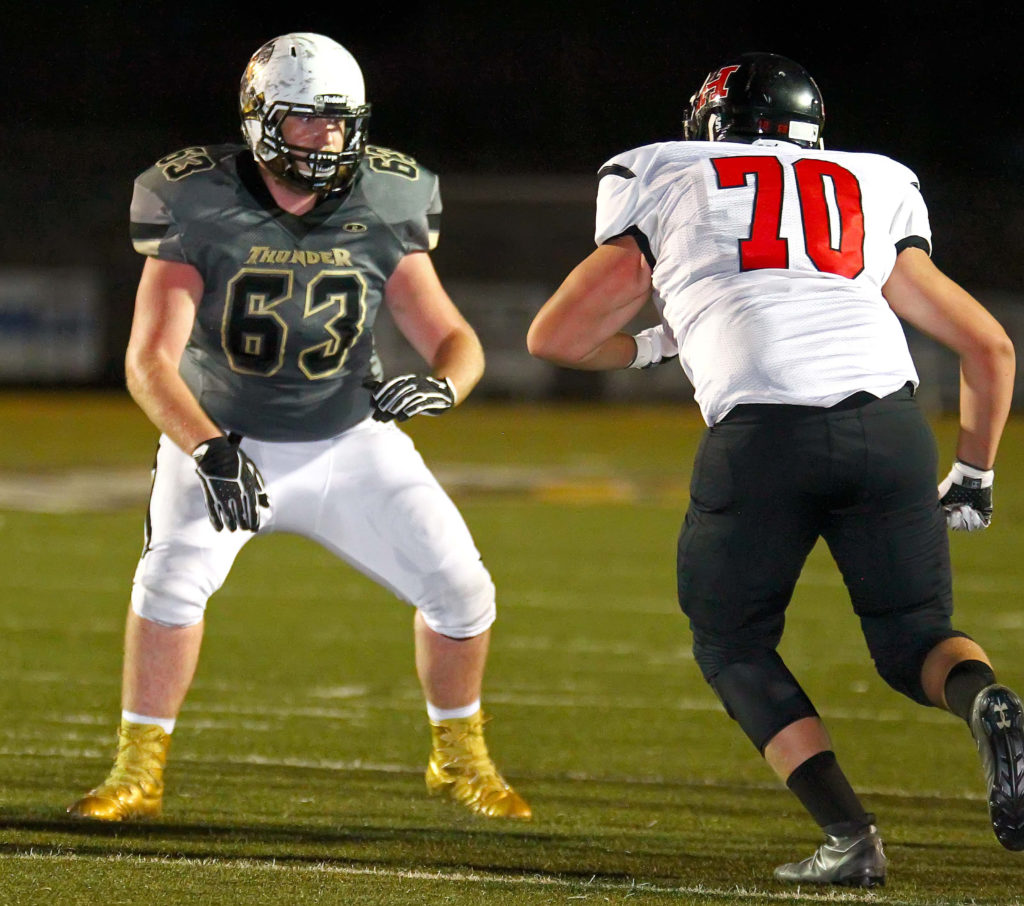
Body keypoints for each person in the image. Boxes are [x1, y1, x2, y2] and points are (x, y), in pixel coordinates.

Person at [528, 52, 1023, 885]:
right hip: (891, 425)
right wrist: (974, 472)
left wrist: (657, 343)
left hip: (765, 431)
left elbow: (555, 338)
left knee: (732, 642)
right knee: (915, 639)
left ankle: (850, 836)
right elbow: (990, 345)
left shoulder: (670, 177)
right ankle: (987, 701)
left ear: (712, 131)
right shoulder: (869, 186)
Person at [68, 32, 530, 823]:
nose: (329, 139)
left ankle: (459, 756)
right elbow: (149, 360)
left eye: (342, 122)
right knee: (169, 583)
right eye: (308, 122)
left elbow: (457, 340)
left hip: (350, 440)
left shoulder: (388, 198)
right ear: (258, 120)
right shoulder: (197, 201)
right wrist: (206, 448)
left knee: (462, 589)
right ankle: (136, 770)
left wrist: (446, 385)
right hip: (225, 438)